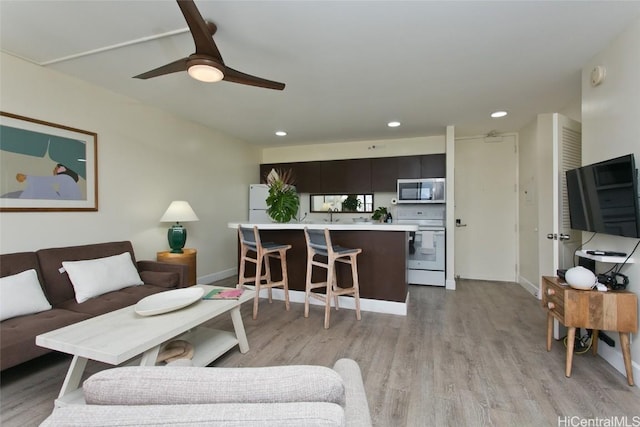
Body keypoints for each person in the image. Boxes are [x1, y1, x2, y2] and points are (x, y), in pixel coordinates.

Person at [14, 163, 82, 200]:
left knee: (37, 185)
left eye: (55, 168)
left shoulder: (66, 177)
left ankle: (22, 202)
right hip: (65, 202)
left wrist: (26, 177)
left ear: (61, 170)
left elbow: (46, 180)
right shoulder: (69, 180)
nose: (53, 170)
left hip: (64, 203)